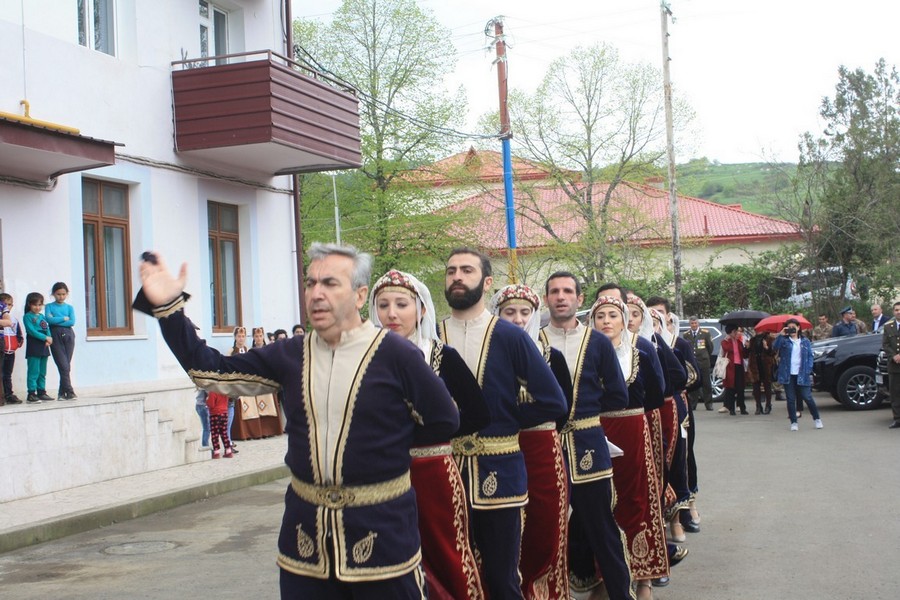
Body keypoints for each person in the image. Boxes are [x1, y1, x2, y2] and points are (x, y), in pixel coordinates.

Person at [136, 243, 460, 598]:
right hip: (305, 544)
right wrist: (170, 310)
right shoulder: (290, 353)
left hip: (383, 541)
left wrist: (382, 451)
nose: (316, 293)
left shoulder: (398, 355)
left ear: (359, 295)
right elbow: (211, 371)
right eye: (310, 283)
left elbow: (443, 419)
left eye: (330, 283)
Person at [439, 248, 567, 600]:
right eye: (451, 271)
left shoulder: (511, 336)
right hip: (443, 470)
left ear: (487, 282)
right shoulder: (432, 336)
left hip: (500, 470)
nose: (457, 277)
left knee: (501, 576)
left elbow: (553, 402)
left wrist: (502, 419)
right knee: (447, 574)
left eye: (467, 270)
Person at [369, 268, 488, 600]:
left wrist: (435, 434)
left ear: (421, 309)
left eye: (401, 304)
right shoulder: (364, 360)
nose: (391, 314)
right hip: (379, 476)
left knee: (444, 554)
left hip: (431, 473)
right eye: (383, 305)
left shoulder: (442, 356)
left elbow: (479, 413)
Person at [540, 273, 634, 600]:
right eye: (554, 291)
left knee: (601, 526)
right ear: (546, 298)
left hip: (588, 444)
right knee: (544, 527)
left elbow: (618, 395)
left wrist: (586, 412)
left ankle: (621, 594)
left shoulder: (597, 342)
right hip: (544, 445)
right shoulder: (532, 341)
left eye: (568, 291)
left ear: (579, 299)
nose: (561, 297)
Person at [490, 283, 570, 600]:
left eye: (525, 312)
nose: (518, 319)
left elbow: (561, 407)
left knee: (544, 525)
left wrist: (512, 417)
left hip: (541, 451)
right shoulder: (488, 357)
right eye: (509, 312)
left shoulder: (551, 356)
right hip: (497, 451)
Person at [588, 293, 668, 599]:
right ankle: (605, 577)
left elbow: (657, 393)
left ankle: (644, 577)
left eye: (613, 315)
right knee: (602, 504)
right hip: (596, 431)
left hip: (633, 431)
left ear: (624, 320)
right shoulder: (586, 353)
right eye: (600, 316)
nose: (606, 322)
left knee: (637, 499)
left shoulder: (641, 350)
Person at [772, 318, 823, 431]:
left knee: (807, 397)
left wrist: (808, 368)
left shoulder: (805, 341)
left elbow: (810, 355)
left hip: (802, 373)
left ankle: (817, 418)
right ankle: (794, 422)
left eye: (793, 327)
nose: (792, 330)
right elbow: (774, 347)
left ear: (798, 327)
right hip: (788, 374)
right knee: (790, 399)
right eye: (789, 328)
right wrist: (780, 335)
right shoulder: (784, 341)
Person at [45, 282, 77, 400]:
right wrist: (63, 318)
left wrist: (56, 319)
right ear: (53, 294)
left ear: (67, 294)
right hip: (55, 334)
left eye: (63, 294)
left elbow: (72, 322)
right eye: (58, 294)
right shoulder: (49, 306)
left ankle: (61, 393)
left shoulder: (69, 307)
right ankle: (69, 390)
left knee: (66, 365)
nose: (61, 297)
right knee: (63, 364)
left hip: (68, 335)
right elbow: (49, 320)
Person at [22, 292, 54, 404]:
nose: (37, 307)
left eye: (40, 305)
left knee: (42, 371)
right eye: (35, 305)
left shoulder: (42, 317)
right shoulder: (27, 316)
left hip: (44, 345)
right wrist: (45, 337)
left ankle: (41, 392)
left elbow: (47, 328)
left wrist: (49, 338)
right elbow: (31, 331)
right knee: (34, 370)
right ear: (29, 304)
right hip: (34, 345)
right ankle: (31, 393)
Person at [683, 316, 714, 410]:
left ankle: (708, 404)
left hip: (703, 362)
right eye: (692, 323)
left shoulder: (705, 333)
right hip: (693, 363)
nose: (694, 325)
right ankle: (693, 404)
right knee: (693, 383)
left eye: (695, 323)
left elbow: (710, 347)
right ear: (690, 324)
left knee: (706, 384)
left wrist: (704, 355)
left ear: (698, 323)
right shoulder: (686, 334)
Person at [720, 324, 748, 415]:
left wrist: (747, 347)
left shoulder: (739, 342)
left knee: (741, 388)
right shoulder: (725, 342)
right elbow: (727, 349)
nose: (737, 333)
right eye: (735, 331)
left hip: (739, 366)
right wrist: (729, 339)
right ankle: (731, 408)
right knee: (731, 388)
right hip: (730, 367)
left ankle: (742, 407)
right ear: (731, 332)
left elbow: (744, 355)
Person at [1, 294, 24, 405]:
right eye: (5, 304)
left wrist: (17, 344)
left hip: (11, 352)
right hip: (2, 350)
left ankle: (9, 394)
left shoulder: (14, 319)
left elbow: (18, 334)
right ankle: (3, 395)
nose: (7, 307)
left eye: (9, 305)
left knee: (8, 374)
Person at [746, 331, 775, 414]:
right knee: (756, 386)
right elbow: (745, 354)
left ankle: (768, 405)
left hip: (765, 365)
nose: (757, 331)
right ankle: (758, 406)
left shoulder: (769, 339)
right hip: (755, 365)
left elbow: (773, 352)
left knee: (767, 385)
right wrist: (747, 347)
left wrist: (766, 347)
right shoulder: (752, 340)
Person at [881, 302, 900, 429]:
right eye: (896, 310)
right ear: (893, 312)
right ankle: (897, 419)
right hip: (894, 365)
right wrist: (894, 356)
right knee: (895, 393)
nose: (899, 312)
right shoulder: (888, 327)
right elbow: (885, 344)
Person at [206, 390, 234, 458]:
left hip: (215, 414)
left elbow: (211, 404)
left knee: (215, 434)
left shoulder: (213, 392)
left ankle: (216, 452)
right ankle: (228, 451)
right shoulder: (224, 391)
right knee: (224, 433)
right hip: (224, 413)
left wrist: (207, 400)